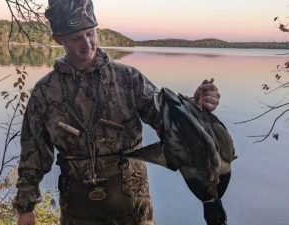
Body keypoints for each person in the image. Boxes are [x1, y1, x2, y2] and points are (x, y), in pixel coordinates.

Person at [13, 0, 221, 224]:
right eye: (76, 38)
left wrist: (196, 107)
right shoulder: (45, 92)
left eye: (90, 33)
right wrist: (26, 207)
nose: (87, 44)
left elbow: (166, 119)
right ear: (58, 39)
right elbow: (33, 155)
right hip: (77, 212)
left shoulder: (128, 78)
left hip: (134, 210)